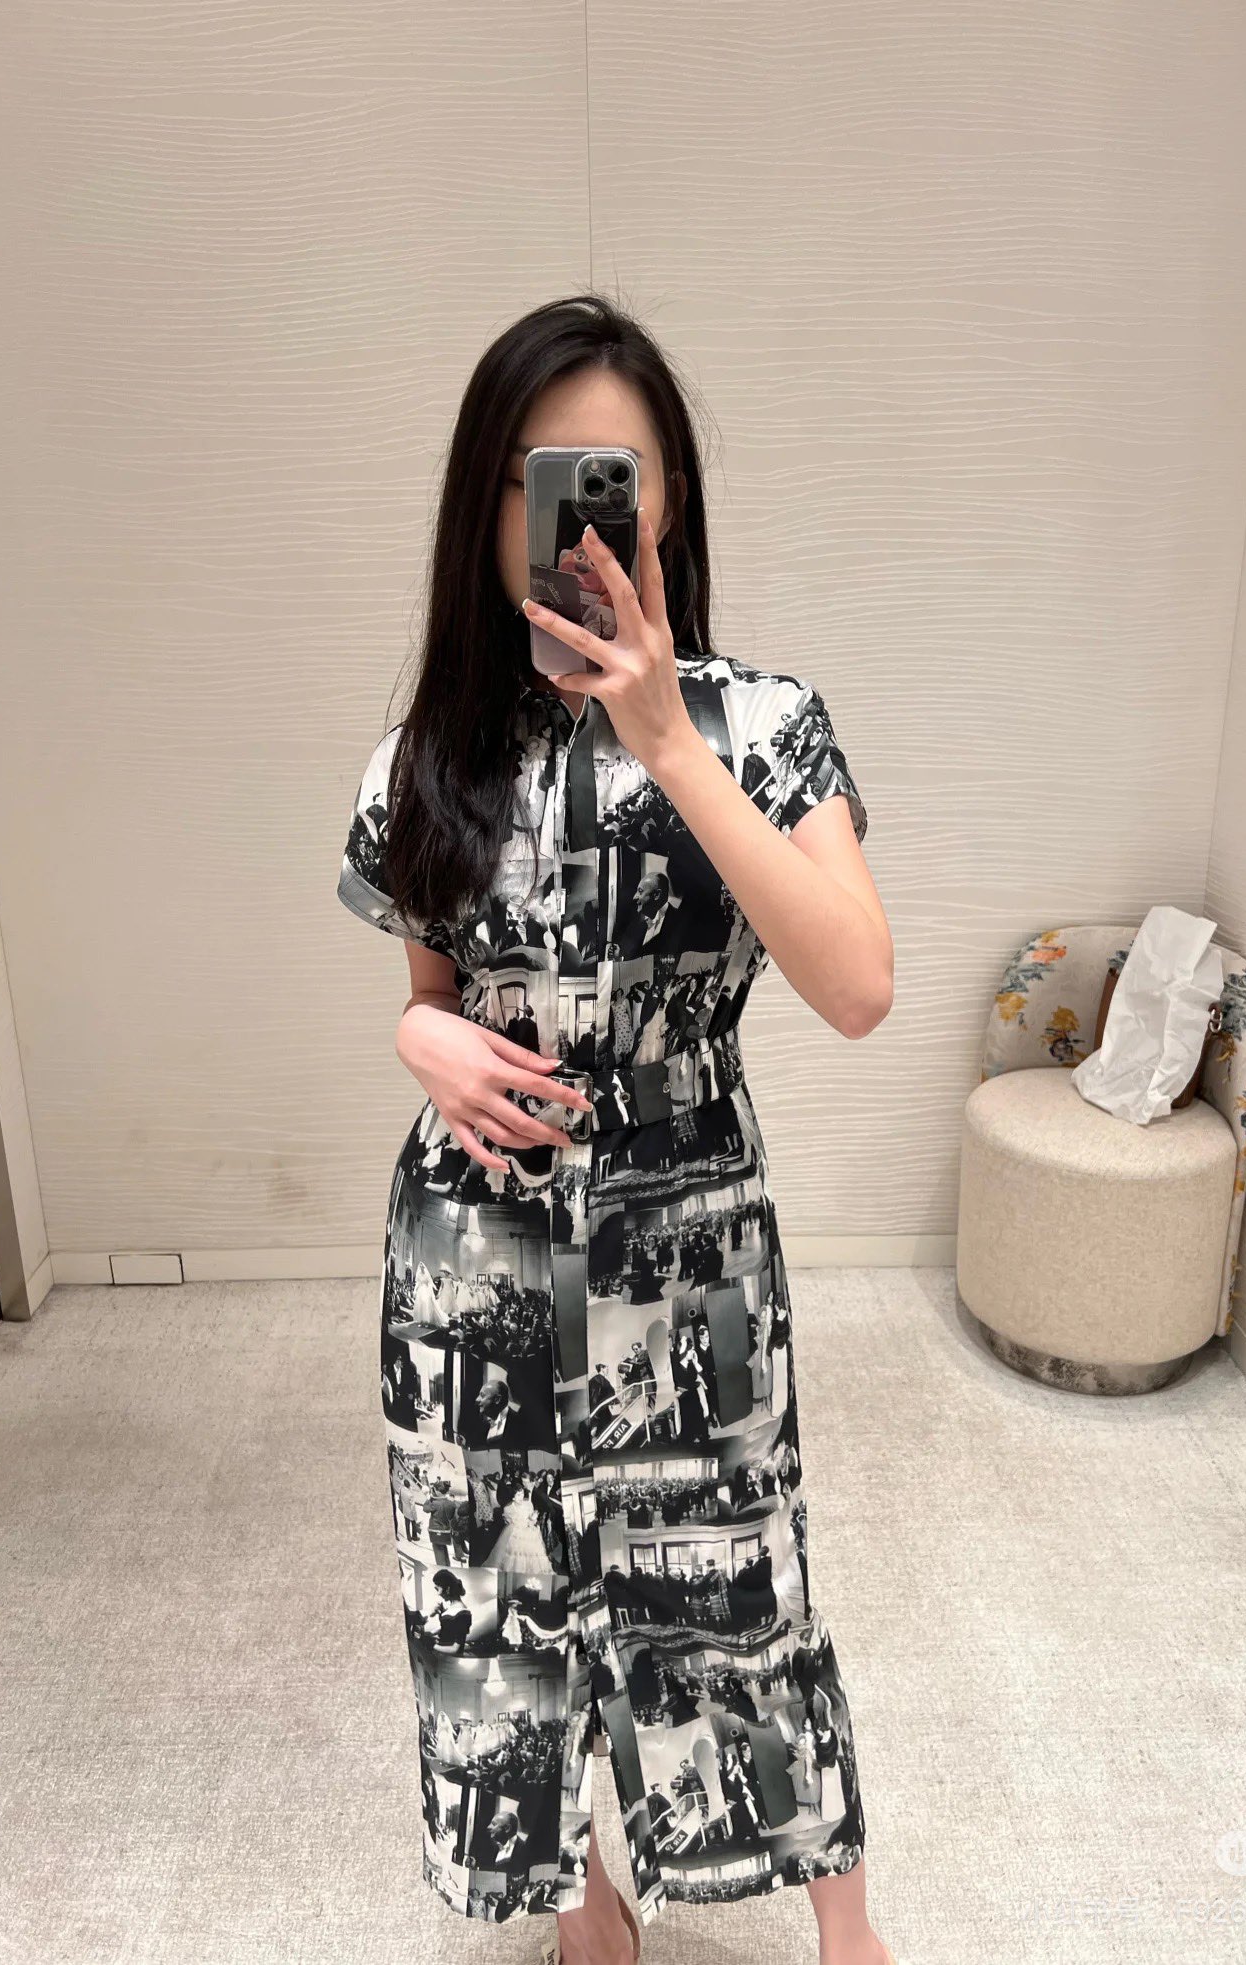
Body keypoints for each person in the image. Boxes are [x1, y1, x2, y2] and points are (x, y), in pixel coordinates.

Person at [338, 294, 895, 1965]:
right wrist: (421, 1034)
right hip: (475, 1247)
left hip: (687, 1234)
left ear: (669, 501)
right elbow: (430, 995)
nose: (582, 519)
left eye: (617, 480)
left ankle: (850, 1932)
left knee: (740, 1581)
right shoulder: (426, 756)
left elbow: (857, 981)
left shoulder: (767, 727)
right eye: (545, 476)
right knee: (501, 1603)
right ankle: (591, 1915)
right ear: (489, 503)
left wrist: (662, 733)